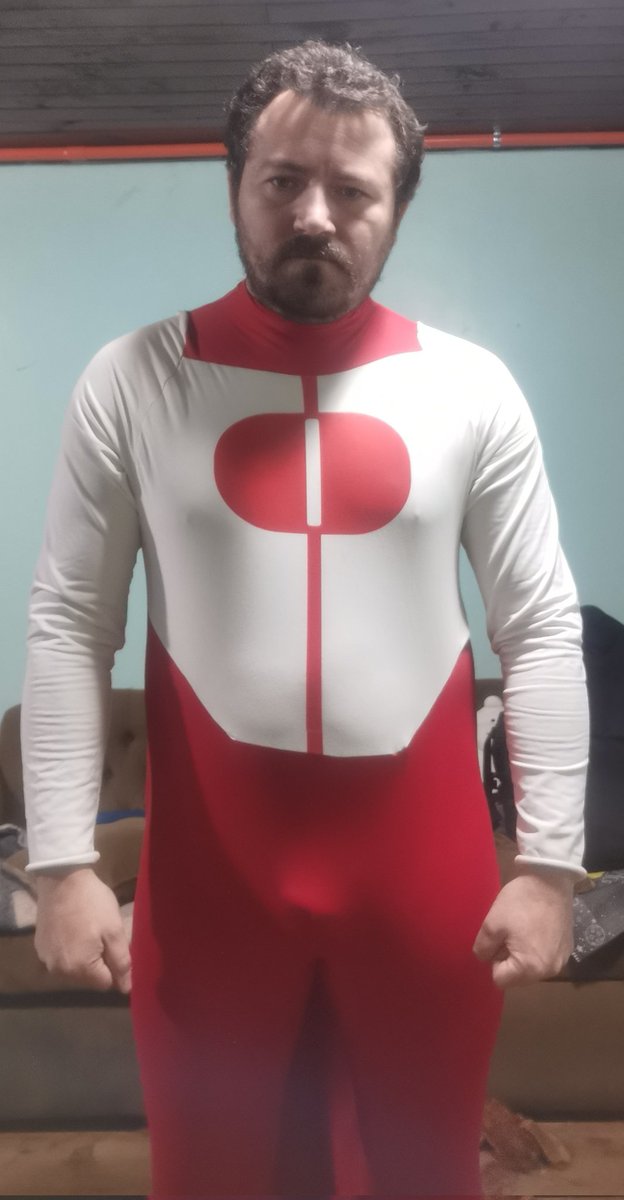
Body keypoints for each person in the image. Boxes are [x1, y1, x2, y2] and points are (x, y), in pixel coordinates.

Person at [22, 40, 588, 1199]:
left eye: (353, 189)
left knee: (423, 1178)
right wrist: (64, 863)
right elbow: (72, 623)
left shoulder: (471, 389)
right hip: (211, 891)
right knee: (212, 1177)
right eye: (283, 180)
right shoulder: (134, 380)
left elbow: (539, 627)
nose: (316, 215)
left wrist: (550, 869)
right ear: (235, 184)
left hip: (423, 895)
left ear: (398, 208)